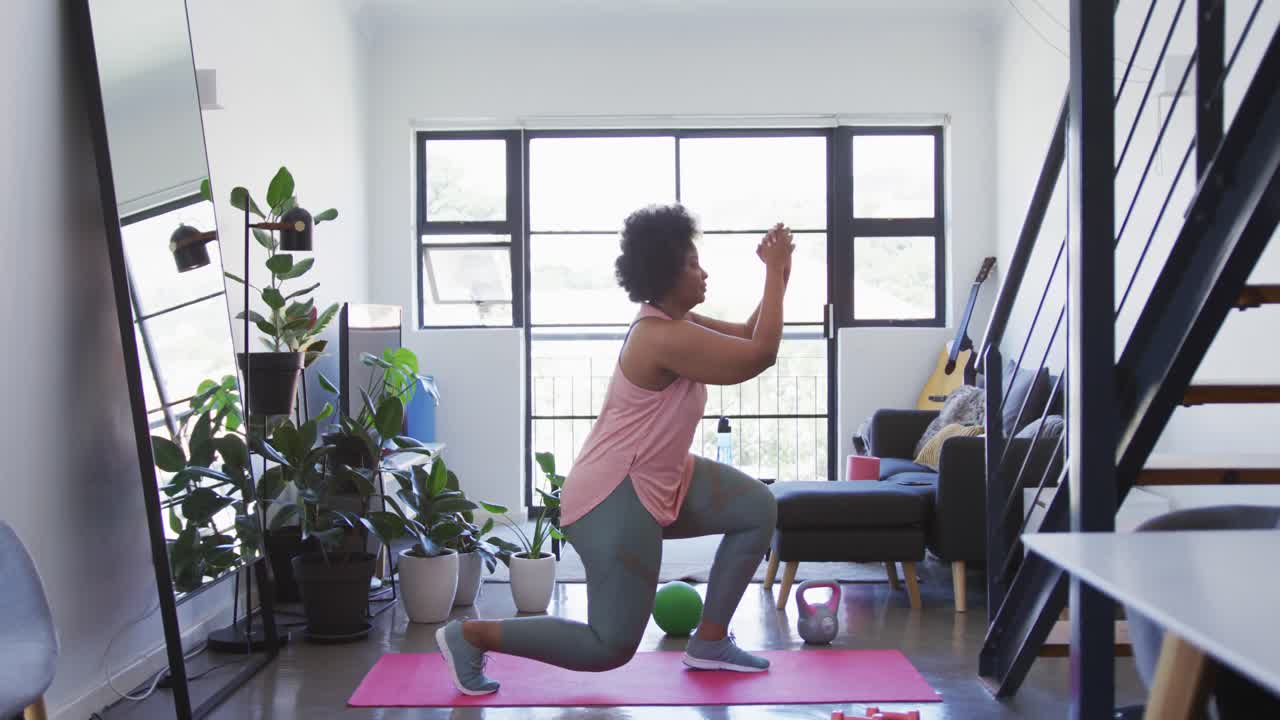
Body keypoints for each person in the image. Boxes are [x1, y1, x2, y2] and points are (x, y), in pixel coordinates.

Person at [437, 204, 793, 695]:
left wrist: (780, 277)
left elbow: (752, 336)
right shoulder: (660, 337)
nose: (703, 271)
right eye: (692, 263)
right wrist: (774, 272)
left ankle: (710, 642)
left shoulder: (677, 324)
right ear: (666, 273)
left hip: (659, 473)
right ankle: (471, 635)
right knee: (611, 646)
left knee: (757, 506)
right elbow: (761, 354)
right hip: (614, 495)